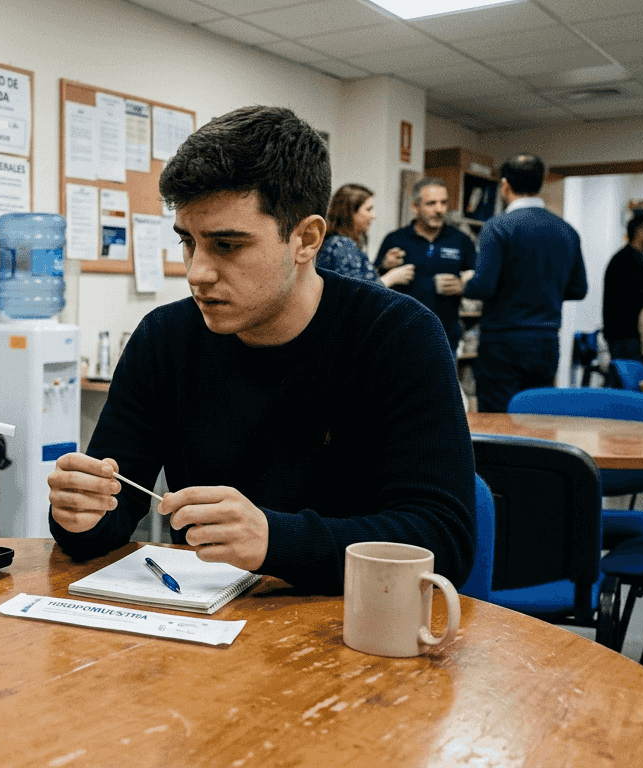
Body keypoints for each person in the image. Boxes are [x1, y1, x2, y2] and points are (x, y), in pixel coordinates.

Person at [45, 105, 475, 595]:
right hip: (207, 627)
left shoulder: (398, 335)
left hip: (354, 629)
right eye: (189, 242)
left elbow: (445, 541)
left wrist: (275, 539)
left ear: (307, 239)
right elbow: (109, 519)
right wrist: (81, 516)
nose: (196, 273)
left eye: (227, 245)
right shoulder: (164, 339)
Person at [463, 154, 587, 413]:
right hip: (545, 340)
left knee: (498, 420)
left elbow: (483, 287)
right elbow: (578, 288)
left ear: (505, 185)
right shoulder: (566, 230)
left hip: (502, 341)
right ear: (540, 184)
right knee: (537, 417)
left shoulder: (498, 227)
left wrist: (467, 281)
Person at [375, 178, 478, 351]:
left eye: (443, 203)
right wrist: (384, 266)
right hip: (402, 337)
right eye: (431, 204)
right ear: (415, 208)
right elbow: (373, 281)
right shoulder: (396, 239)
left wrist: (463, 285)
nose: (439, 209)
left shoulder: (461, 240)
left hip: (445, 339)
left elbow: (479, 278)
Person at [315, 183, 413, 288]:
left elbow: (360, 278)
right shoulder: (340, 245)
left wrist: (383, 267)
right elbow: (355, 294)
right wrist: (391, 278)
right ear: (350, 212)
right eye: (368, 209)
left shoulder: (340, 242)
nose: (374, 215)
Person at [603, 213, 643, 361]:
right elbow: (636, 298)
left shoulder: (636, 259)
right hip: (626, 338)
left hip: (630, 337)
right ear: (641, 233)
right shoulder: (626, 261)